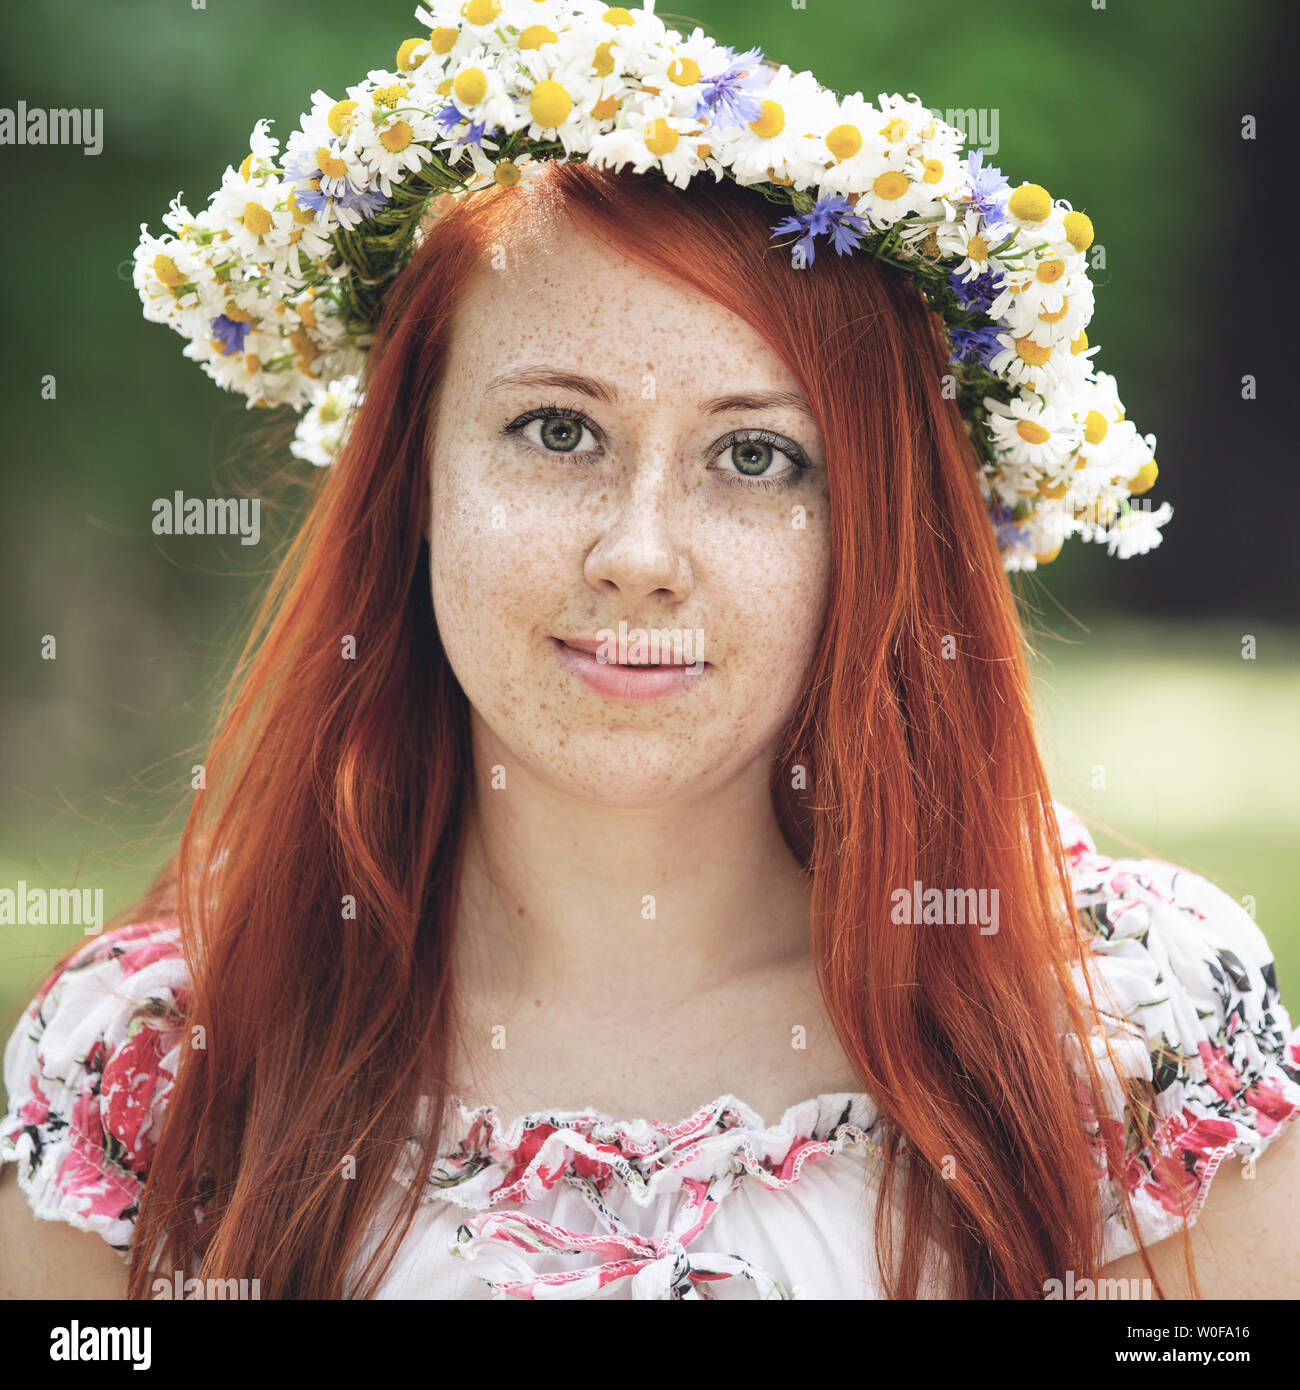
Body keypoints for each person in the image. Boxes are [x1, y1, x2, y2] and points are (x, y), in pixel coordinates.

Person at [3, 2, 1298, 1301]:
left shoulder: (1124, 1030)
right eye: (558, 430)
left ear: (875, 533)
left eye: (755, 454)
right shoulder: (163, 1050)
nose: (640, 551)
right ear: (412, 474)